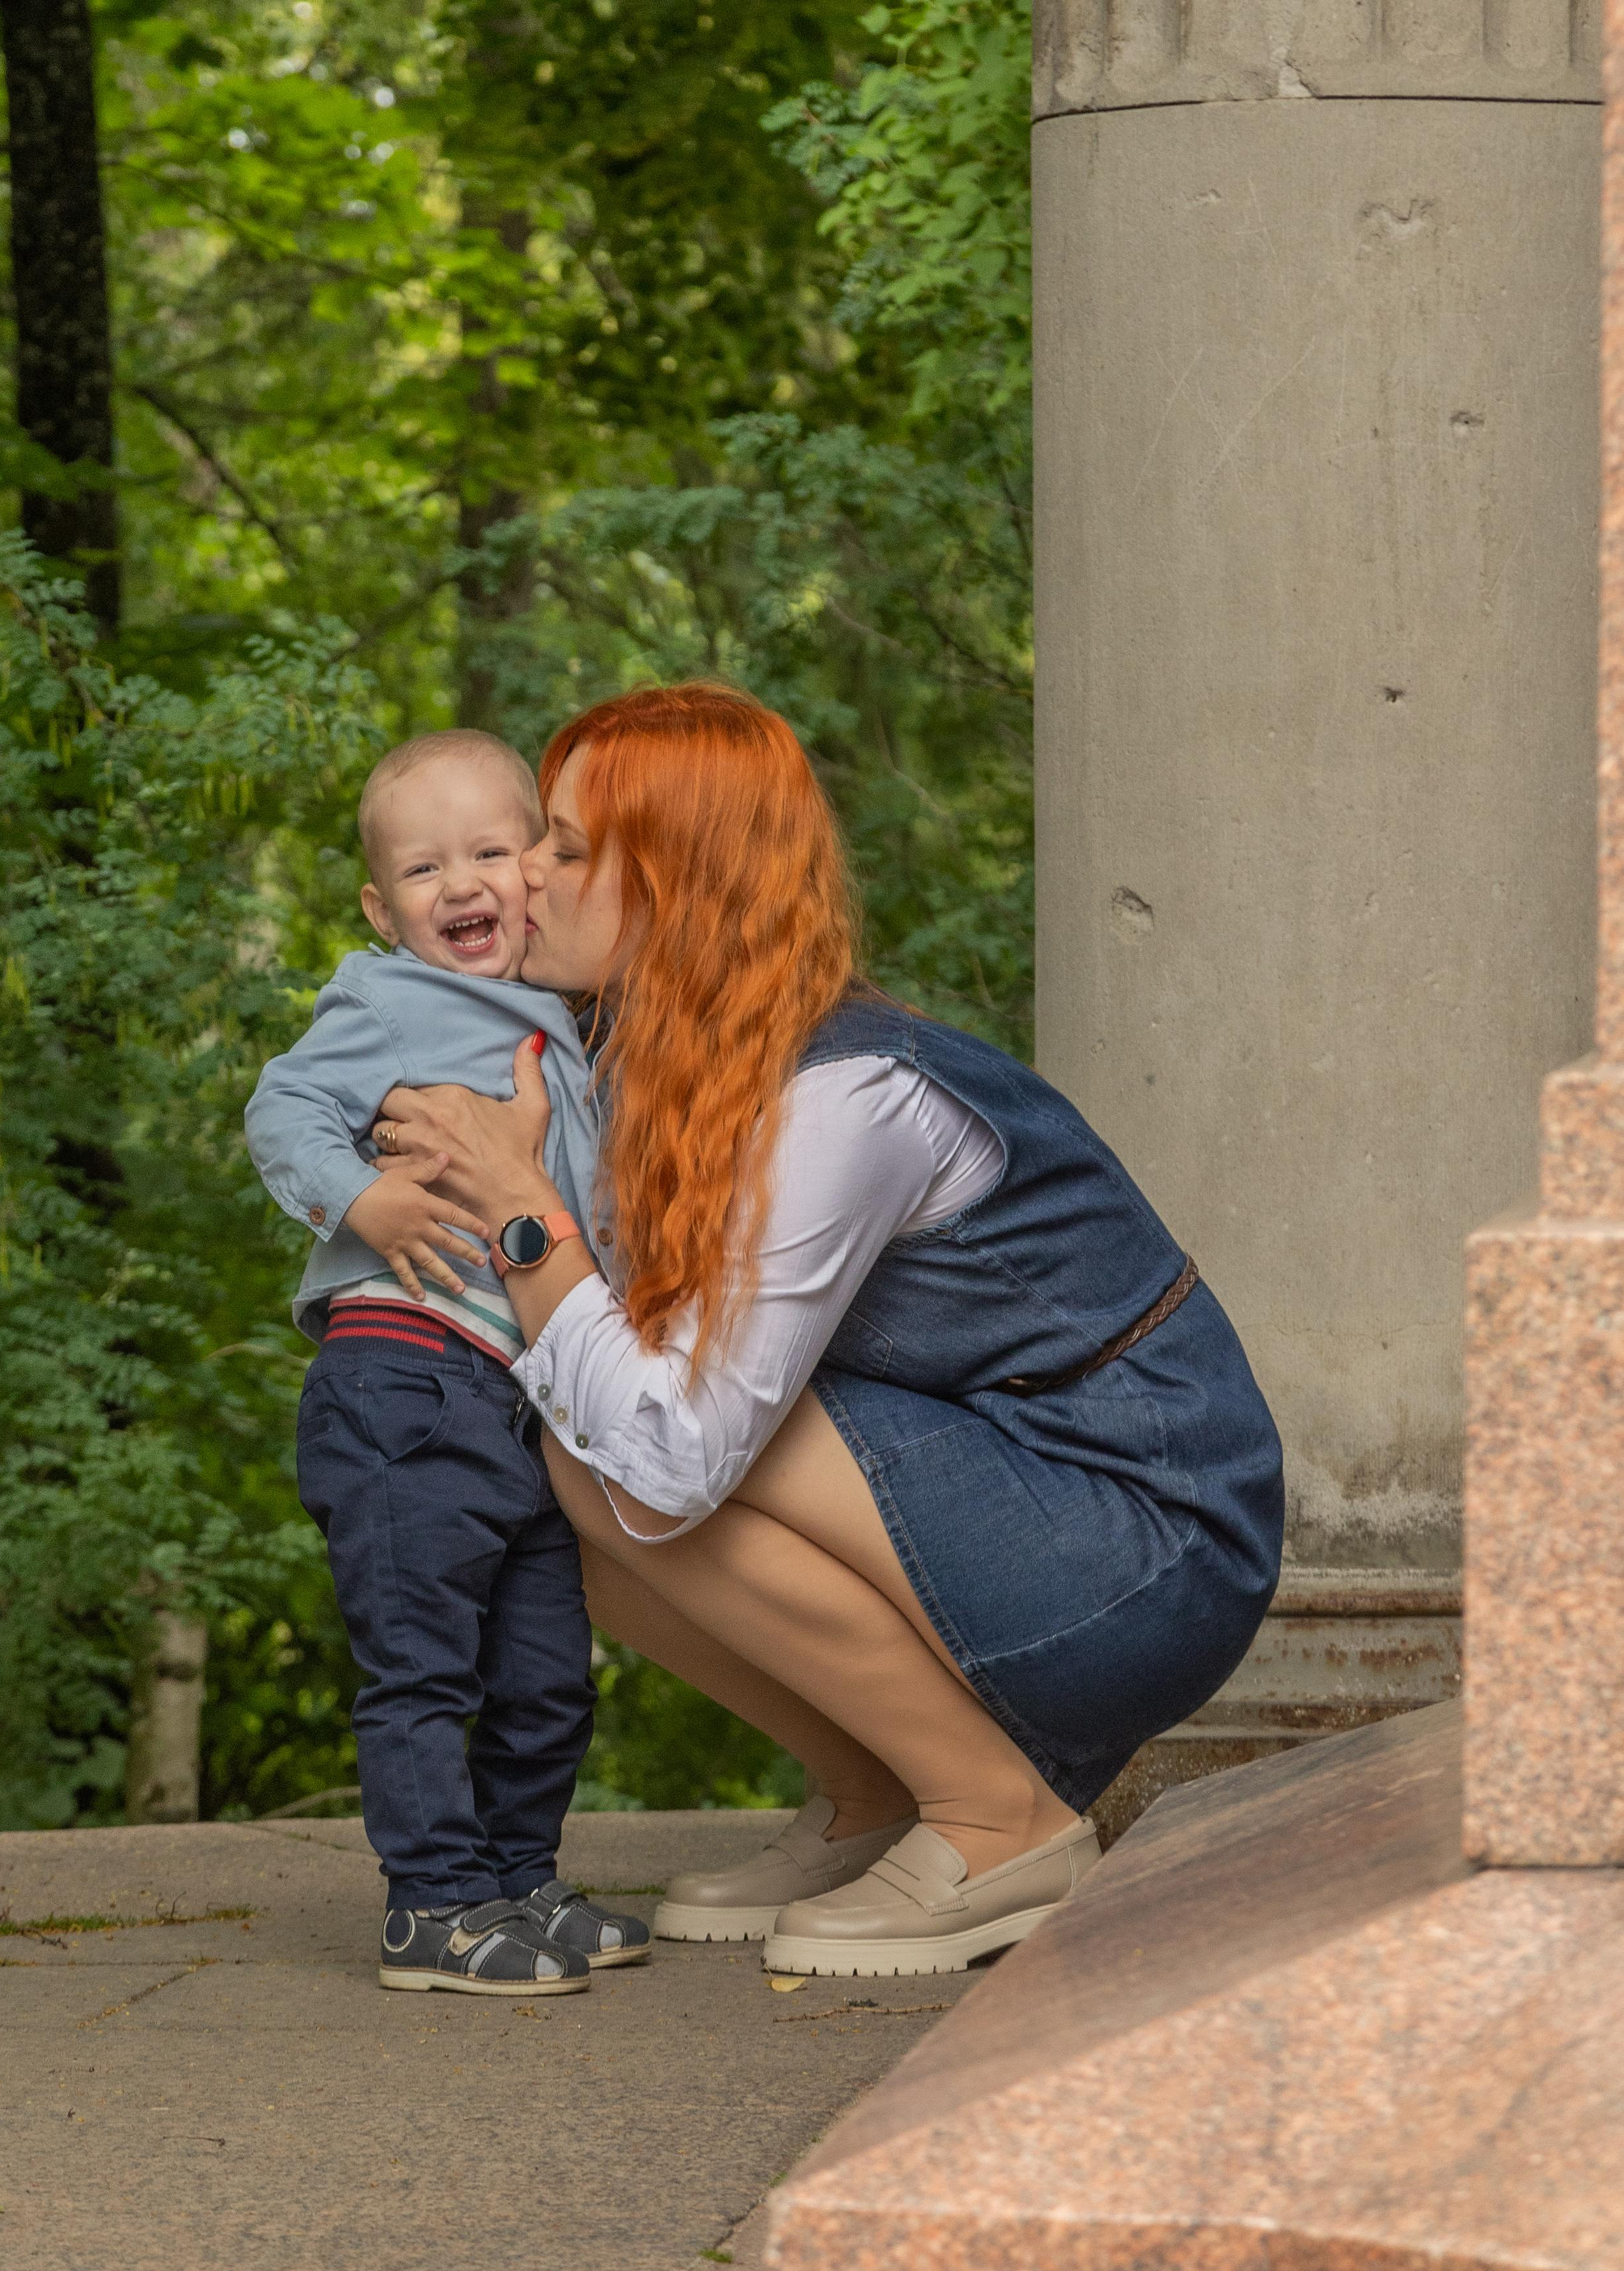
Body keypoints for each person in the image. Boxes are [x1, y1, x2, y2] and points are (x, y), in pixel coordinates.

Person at [368, 685, 1286, 1980]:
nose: (524, 874)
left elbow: (675, 1451)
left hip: (1146, 1537)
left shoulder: (845, 1096)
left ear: (676, 883)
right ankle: (879, 1798)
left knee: (614, 1461)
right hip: (1008, 1490)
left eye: (566, 848)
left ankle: (999, 1819)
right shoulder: (642, 1065)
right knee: (541, 1462)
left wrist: (523, 1213)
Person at [244, 728, 650, 1998]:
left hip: (519, 1396)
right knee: (425, 1662)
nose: (462, 885)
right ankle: (431, 1904)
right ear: (380, 906)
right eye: (425, 870)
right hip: (403, 1373)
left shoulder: (571, 1014)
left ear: (539, 864)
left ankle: (513, 1878)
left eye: (490, 851)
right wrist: (361, 1202)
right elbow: (280, 1109)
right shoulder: (385, 998)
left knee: (543, 1670)